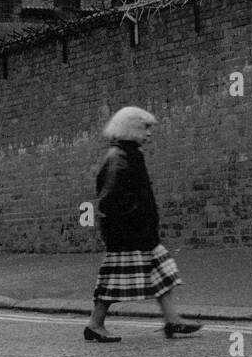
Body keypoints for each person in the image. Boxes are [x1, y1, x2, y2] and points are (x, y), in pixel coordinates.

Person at [84, 106, 202, 343]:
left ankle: (172, 321)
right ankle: (95, 324)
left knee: (164, 273)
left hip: (140, 233)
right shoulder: (119, 157)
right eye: (144, 128)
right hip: (128, 235)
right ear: (130, 128)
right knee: (113, 282)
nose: (149, 133)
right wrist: (135, 222)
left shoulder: (129, 154)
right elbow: (109, 201)